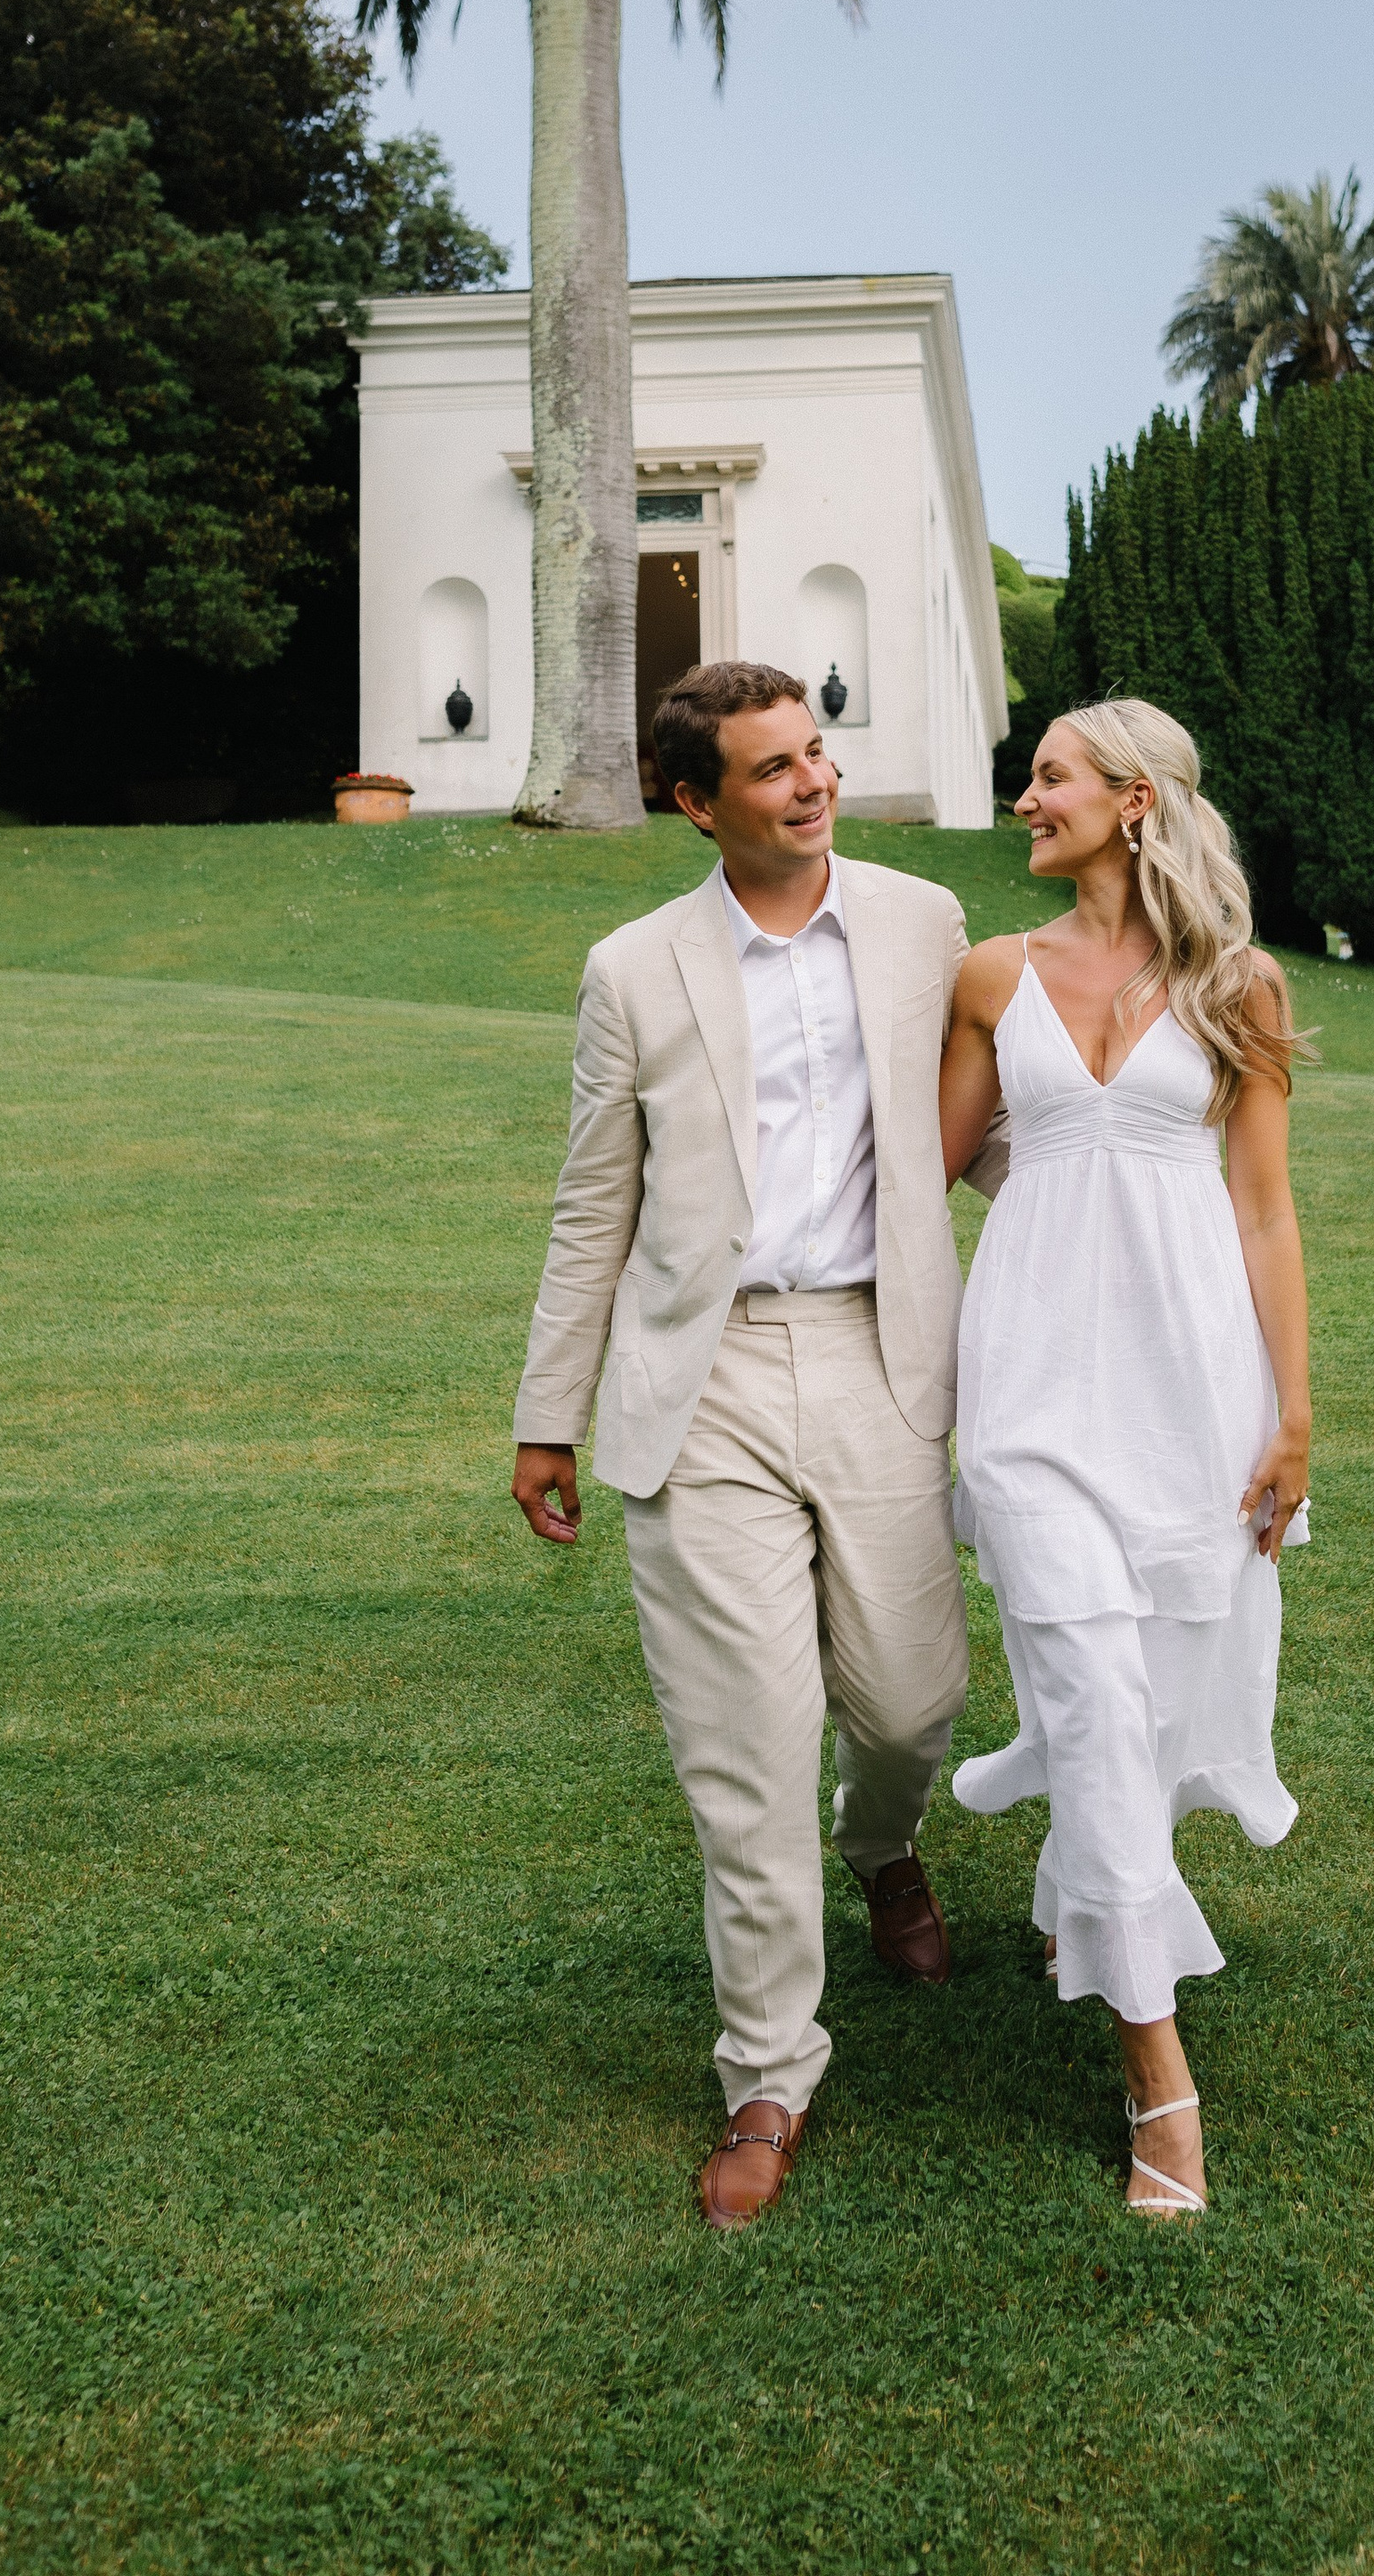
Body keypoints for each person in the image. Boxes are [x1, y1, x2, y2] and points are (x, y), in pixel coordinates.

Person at [511, 660, 1008, 2230]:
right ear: (693, 803)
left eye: (817, 753)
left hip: (878, 1349)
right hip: (700, 1378)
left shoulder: (926, 923)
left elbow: (993, 1121)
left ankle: (886, 1845)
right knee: (747, 1753)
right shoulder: (633, 968)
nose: (811, 781)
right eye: (773, 768)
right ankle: (768, 2077)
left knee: (912, 1698)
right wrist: (549, 1412)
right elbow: (599, 1197)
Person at [938, 696, 1313, 2218]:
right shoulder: (988, 977)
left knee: (1149, 1689)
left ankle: (1077, 1890)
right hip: (1028, 1383)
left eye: (1051, 779)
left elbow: (1266, 1210)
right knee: (1086, 1675)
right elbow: (946, 1151)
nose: (1025, 800)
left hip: (1192, 1384)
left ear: (1138, 801)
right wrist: (1064, 1201)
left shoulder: (1242, 986)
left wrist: (1293, 1414)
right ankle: (1158, 2069)